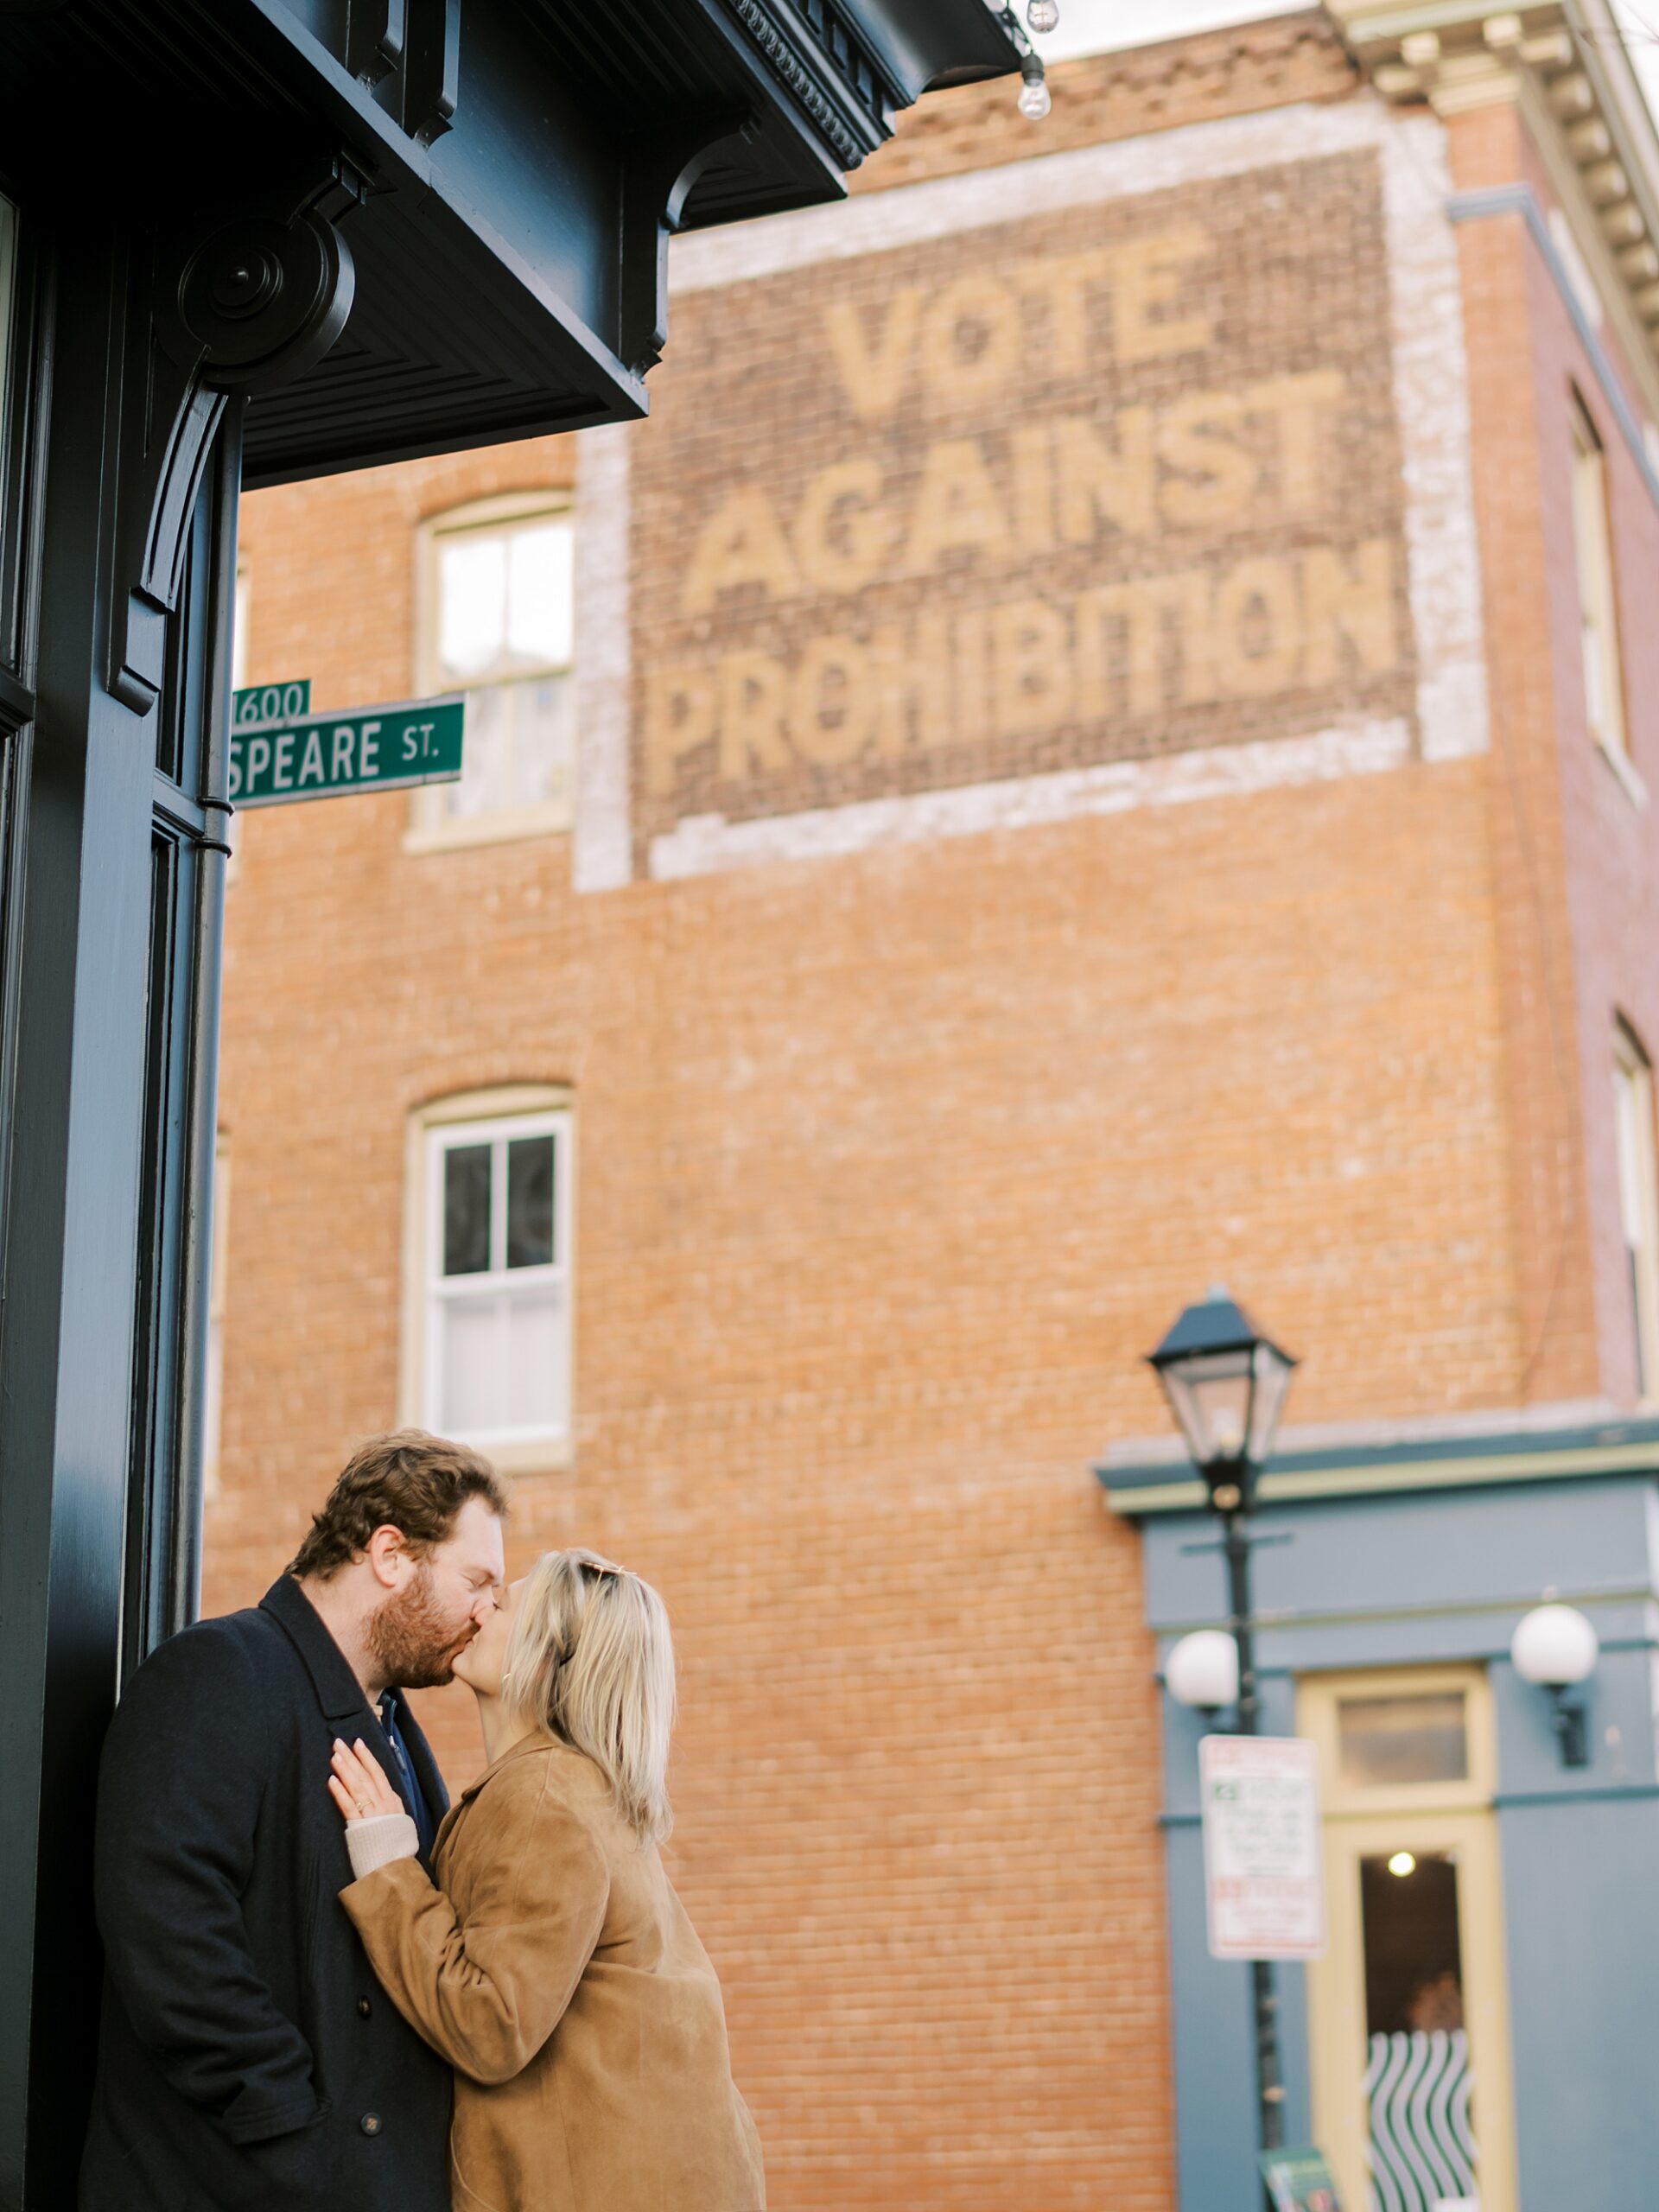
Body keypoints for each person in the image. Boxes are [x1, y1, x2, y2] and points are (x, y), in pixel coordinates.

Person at [79, 1429, 509, 2212]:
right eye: (477, 1580)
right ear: (389, 1555)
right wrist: (295, 2132)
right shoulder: (217, 1671)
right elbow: (168, 1930)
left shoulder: (397, 1729)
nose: (489, 1615)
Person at [328, 1547, 766, 2212]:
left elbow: (491, 2023)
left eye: (500, 1605)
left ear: (542, 1658)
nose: (479, 1607)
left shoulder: (545, 1794)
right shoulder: (569, 1789)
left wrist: (389, 1864)